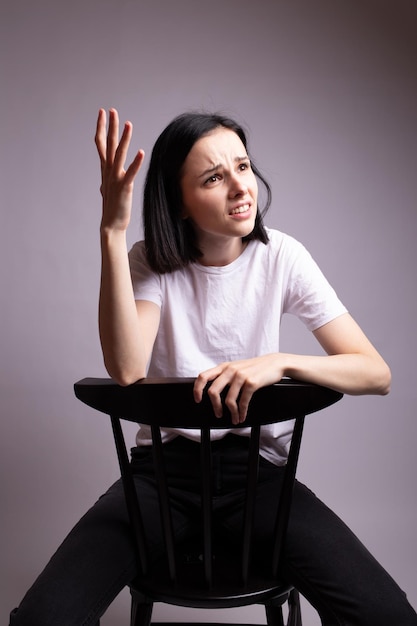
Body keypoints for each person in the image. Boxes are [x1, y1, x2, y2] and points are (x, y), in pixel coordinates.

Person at [9, 108, 417, 626]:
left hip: (260, 477)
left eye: (243, 167)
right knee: (43, 618)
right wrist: (112, 232)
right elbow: (128, 369)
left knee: (389, 616)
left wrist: (280, 363)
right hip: (161, 479)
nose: (240, 187)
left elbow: (375, 373)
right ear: (179, 202)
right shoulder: (151, 261)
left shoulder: (281, 257)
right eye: (213, 177)